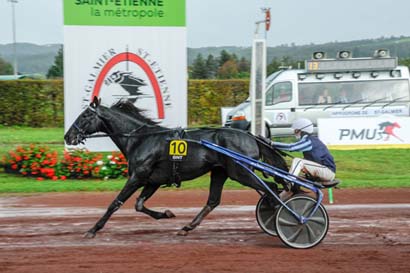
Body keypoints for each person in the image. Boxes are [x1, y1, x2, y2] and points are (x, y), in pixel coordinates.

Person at [268, 118, 337, 199]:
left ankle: (289, 181)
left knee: (298, 161)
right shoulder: (308, 140)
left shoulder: (310, 141)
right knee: (295, 183)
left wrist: (272, 143)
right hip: (321, 170)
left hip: (328, 172)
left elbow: (292, 147)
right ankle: (278, 200)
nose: (294, 132)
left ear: (301, 130)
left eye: (296, 130)